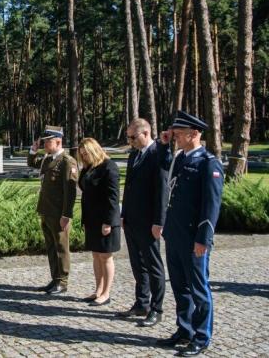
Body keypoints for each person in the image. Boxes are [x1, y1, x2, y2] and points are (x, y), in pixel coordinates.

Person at [155, 111, 224, 357]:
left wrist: (203, 239)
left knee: (198, 288)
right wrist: (164, 145)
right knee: (180, 287)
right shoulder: (179, 158)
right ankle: (184, 329)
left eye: (178, 134)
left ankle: (202, 336)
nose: (174, 137)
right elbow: (164, 176)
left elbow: (211, 206)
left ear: (194, 134)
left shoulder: (208, 163)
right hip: (174, 235)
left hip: (194, 238)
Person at [118, 118, 167, 327]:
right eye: (128, 137)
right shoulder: (134, 155)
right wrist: (124, 214)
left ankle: (157, 308)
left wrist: (159, 221)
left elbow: (162, 191)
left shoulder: (158, 155)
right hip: (131, 220)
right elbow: (128, 187)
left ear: (145, 133)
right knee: (137, 265)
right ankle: (142, 302)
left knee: (153, 265)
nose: (130, 141)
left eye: (132, 137)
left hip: (149, 222)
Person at [28, 125, 78, 295]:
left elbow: (70, 192)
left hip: (58, 213)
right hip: (46, 210)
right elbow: (32, 163)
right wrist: (33, 151)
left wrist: (66, 215)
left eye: (47, 142)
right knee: (51, 247)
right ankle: (55, 278)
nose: (44, 145)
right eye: (43, 142)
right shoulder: (48, 159)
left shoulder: (66, 161)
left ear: (58, 141)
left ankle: (62, 281)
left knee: (61, 247)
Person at [77, 137, 121, 306]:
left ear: (94, 150)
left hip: (105, 220)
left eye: (86, 154)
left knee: (105, 257)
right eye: (82, 155)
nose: (84, 157)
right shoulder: (88, 167)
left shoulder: (109, 167)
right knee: (96, 255)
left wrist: (108, 222)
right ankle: (98, 289)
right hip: (92, 219)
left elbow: (113, 198)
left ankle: (106, 293)